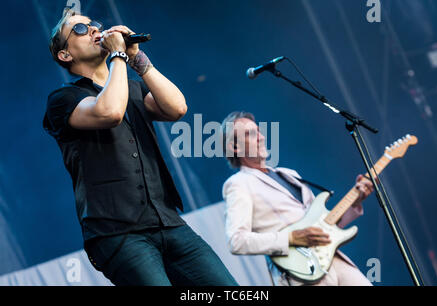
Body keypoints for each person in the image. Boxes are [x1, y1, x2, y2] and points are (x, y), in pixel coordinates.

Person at [43, 11, 237, 286]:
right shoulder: (63, 99)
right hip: (116, 233)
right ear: (65, 55)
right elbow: (110, 112)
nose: (94, 30)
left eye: (94, 25)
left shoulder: (133, 88)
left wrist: (135, 57)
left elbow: (177, 107)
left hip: (168, 222)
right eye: (80, 29)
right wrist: (118, 57)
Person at [221, 111, 374, 286]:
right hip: (300, 272)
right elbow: (237, 241)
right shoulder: (238, 184)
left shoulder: (290, 174)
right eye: (250, 134)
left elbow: (328, 225)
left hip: (333, 259)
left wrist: (356, 200)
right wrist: (291, 238)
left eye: (259, 131)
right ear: (235, 147)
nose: (260, 137)